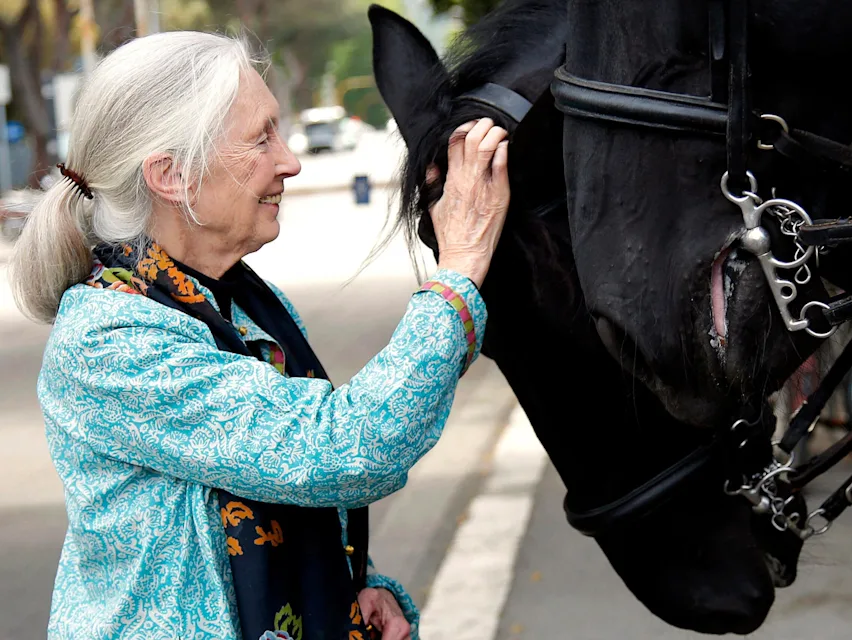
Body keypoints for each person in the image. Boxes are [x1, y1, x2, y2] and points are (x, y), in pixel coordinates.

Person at [8, 31, 510, 640]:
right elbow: (341, 449)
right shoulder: (110, 341)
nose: (290, 161)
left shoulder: (235, 300)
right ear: (173, 175)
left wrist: (359, 587)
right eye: (261, 138)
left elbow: (275, 477)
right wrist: (459, 269)